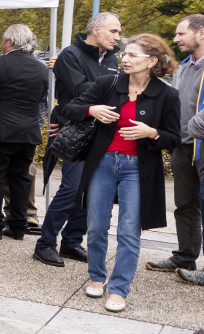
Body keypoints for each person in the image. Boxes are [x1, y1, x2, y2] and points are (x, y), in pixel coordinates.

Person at [58, 33, 180, 312]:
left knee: (128, 230)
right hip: (102, 163)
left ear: (151, 61)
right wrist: (92, 109)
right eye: (124, 54)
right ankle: (97, 276)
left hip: (138, 169)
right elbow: (70, 107)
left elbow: (174, 138)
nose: (124, 59)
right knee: (97, 226)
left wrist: (152, 133)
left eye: (132, 55)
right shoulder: (108, 84)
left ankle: (119, 289)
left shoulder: (167, 95)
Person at [33, 12, 122, 267]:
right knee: (72, 189)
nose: (118, 36)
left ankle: (71, 242)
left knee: (92, 189)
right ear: (96, 30)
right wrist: (112, 87)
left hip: (102, 132)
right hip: (76, 130)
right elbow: (81, 91)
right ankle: (45, 243)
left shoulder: (114, 59)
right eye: (113, 31)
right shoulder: (70, 55)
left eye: (118, 32)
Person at [0, 24, 49, 240]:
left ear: (11, 42)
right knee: (21, 179)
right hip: (28, 132)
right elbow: (40, 98)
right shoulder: (41, 68)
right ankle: (17, 226)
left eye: (4, 40)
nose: (2, 44)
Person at [143, 16, 204, 275]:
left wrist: (191, 129)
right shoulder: (184, 67)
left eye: (181, 34)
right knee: (184, 205)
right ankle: (184, 257)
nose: (176, 39)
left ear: (201, 34)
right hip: (183, 147)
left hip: (202, 144)